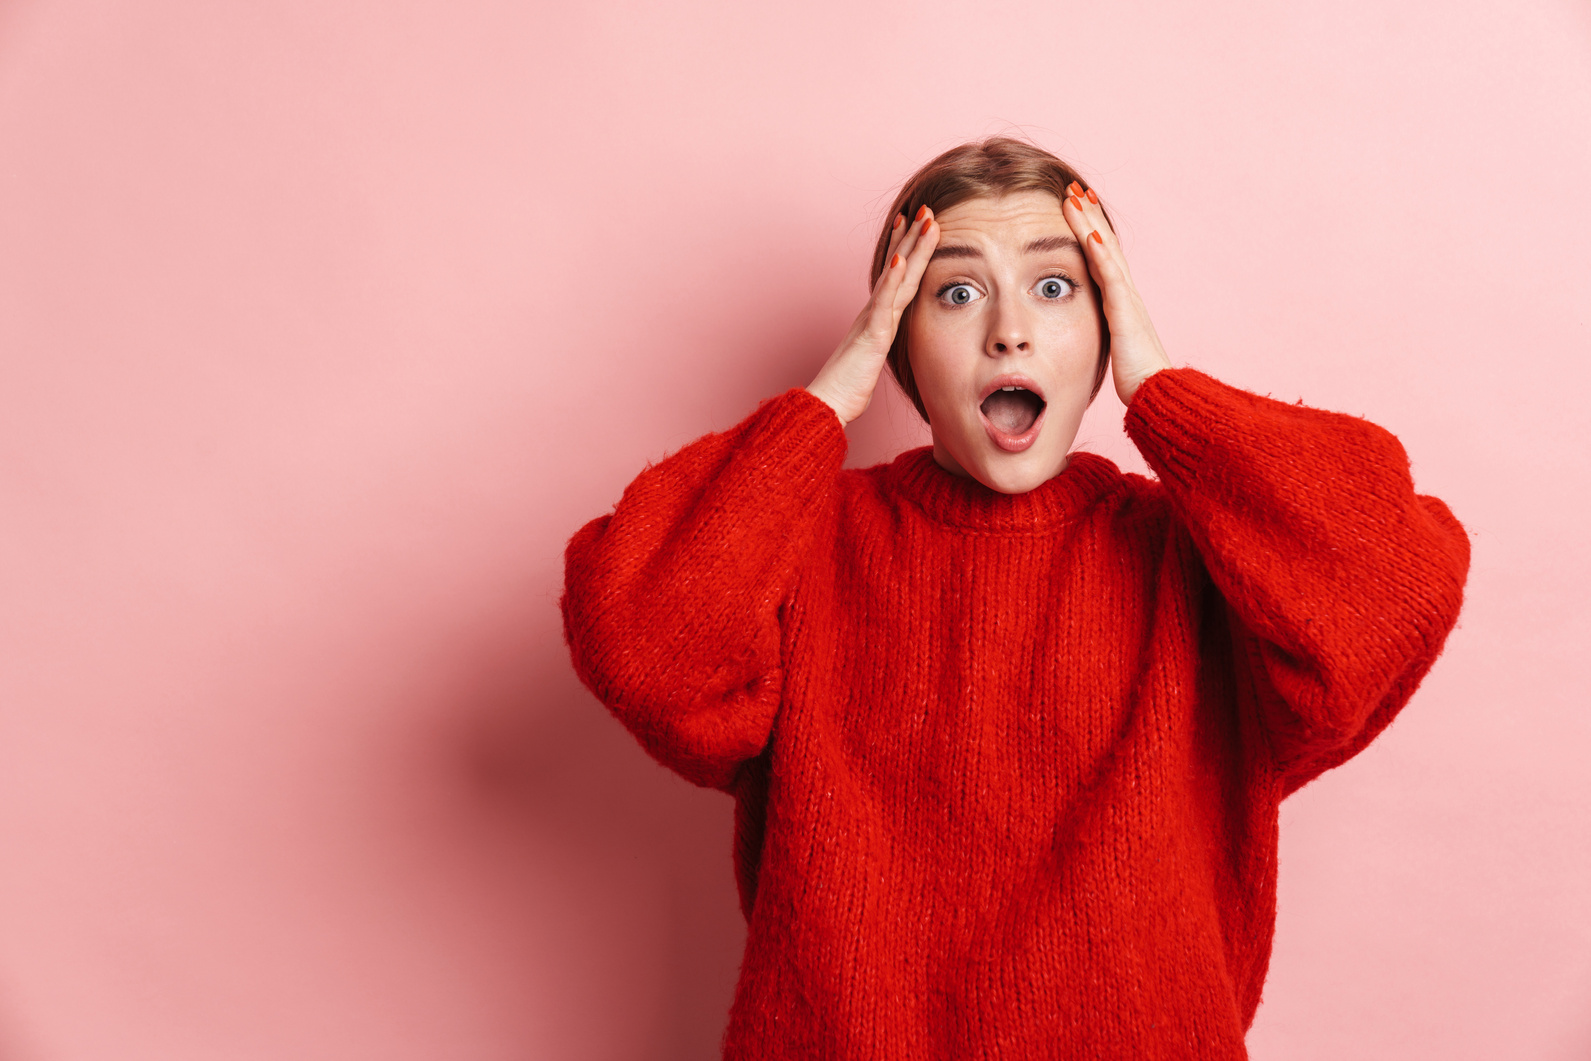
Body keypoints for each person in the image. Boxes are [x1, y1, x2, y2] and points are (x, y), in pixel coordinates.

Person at [559, 137, 1470, 1059]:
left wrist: (1165, 392)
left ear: (1107, 321)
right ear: (901, 343)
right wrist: (826, 398)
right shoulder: (800, 544)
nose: (1009, 330)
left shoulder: (1199, 554)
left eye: (1055, 286)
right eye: (955, 293)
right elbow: (646, 653)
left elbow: (1389, 593)